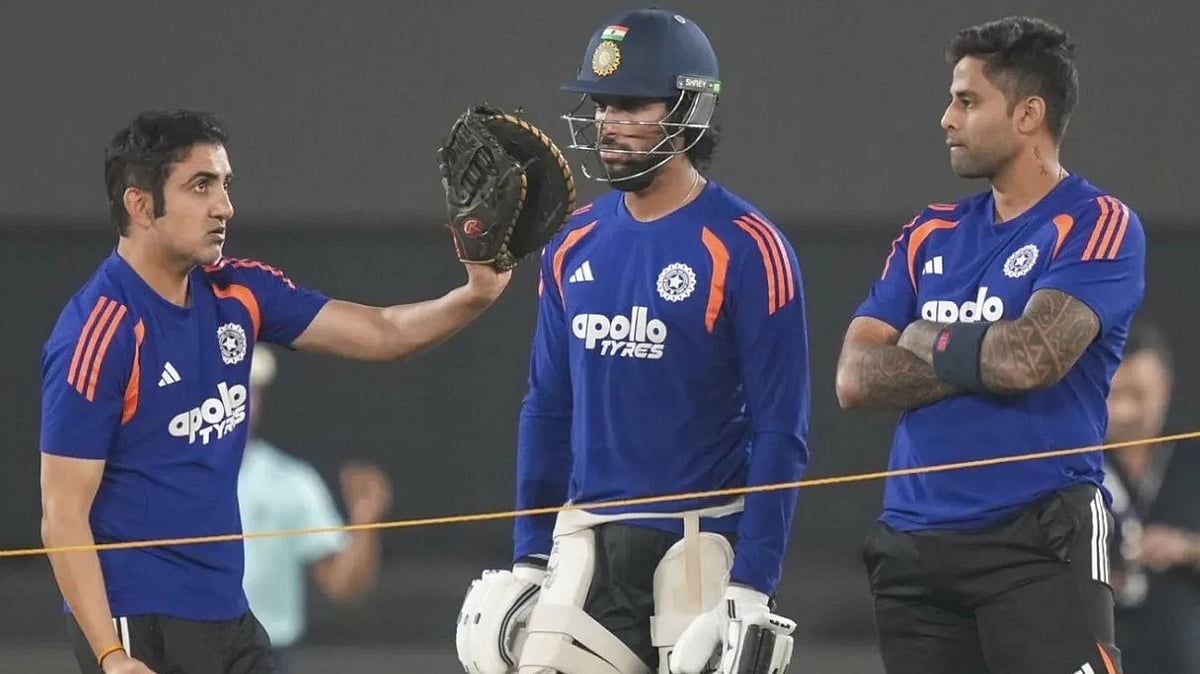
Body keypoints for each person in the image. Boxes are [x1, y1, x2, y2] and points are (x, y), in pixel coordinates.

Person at [38, 109, 510, 674]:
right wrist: (111, 657)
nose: (224, 206)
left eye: (225, 185)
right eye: (200, 185)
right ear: (141, 206)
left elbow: (382, 333)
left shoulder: (238, 290)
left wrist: (476, 294)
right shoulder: (101, 331)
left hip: (230, 614)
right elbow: (62, 515)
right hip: (138, 625)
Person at [454, 9, 810, 674]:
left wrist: (752, 586)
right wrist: (531, 554)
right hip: (586, 541)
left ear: (688, 110)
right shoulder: (572, 241)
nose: (609, 123)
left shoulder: (749, 248)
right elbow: (548, 408)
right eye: (602, 104)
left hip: (703, 544)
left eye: (632, 104)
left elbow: (780, 430)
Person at [835, 16, 1145, 674]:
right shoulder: (929, 232)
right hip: (914, 546)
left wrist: (923, 337)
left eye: (967, 101)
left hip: (1037, 540)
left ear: (1029, 113)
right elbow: (856, 377)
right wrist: (984, 355)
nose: (947, 119)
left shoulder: (1096, 223)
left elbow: (1031, 357)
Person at [238, 345, 393, 674]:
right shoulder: (165, 478)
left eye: (248, 392)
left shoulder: (292, 483)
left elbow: (343, 586)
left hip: (264, 656)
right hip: (180, 651)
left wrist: (364, 522)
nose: (240, 403)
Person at [1103, 317, 1200, 673]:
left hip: (1182, 652)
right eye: (1114, 395)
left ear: (1166, 387)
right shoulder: (1073, 470)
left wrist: (1189, 549)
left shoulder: (1192, 457)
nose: (1125, 411)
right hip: (1099, 653)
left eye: (1138, 395)